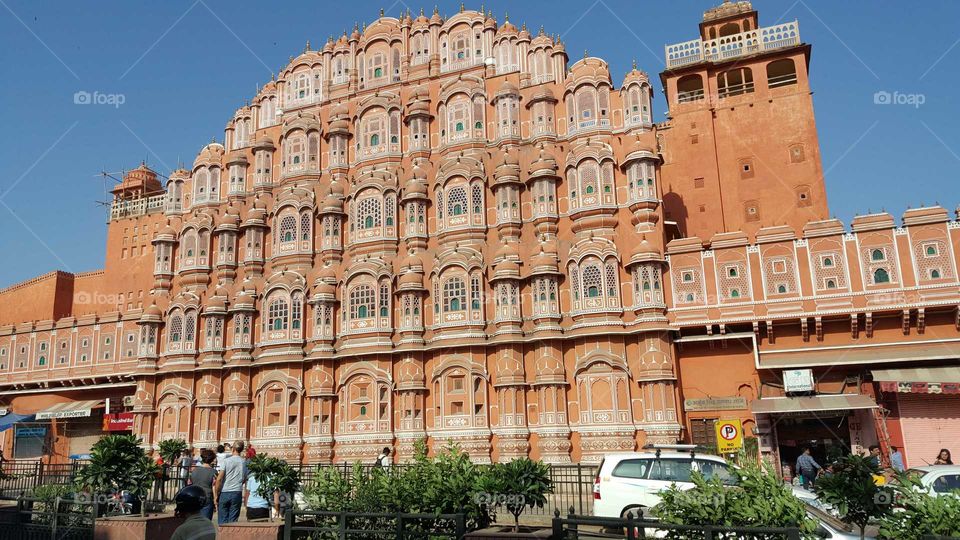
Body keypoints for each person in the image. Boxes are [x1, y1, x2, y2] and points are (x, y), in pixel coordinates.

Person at [215, 440, 247, 524]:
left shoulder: (226, 461)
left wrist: (216, 494)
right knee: (233, 521)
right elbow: (244, 478)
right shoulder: (244, 462)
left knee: (222, 519)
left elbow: (219, 479)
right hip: (237, 491)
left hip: (225, 491)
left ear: (233, 449)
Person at [189, 449, 217, 520]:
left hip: (195, 496)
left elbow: (190, 483)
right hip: (207, 496)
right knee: (206, 521)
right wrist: (215, 499)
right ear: (212, 459)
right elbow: (214, 486)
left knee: (195, 520)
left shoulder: (195, 470)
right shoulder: (213, 472)